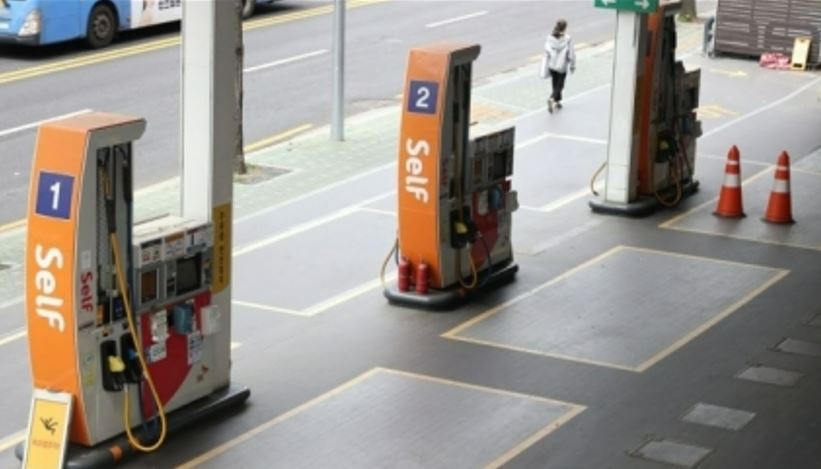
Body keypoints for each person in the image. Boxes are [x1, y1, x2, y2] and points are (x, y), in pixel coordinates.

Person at [541, 19, 576, 113]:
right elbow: (571, 53)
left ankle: (557, 101)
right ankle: (552, 98)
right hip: (562, 65)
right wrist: (572, 65)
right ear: (565, 28)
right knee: (560, 85)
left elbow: (546, 51)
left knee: (555, 83)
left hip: (552, 64)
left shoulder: (549, 38)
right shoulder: (568, 39)